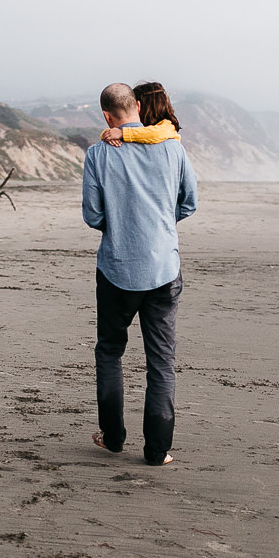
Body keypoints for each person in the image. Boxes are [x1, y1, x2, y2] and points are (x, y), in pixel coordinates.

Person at [82, 81, 198, 466]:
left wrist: (120, 222)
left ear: (106, 116)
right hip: (164, 267)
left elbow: (92, 216)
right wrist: (161, 223)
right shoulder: (173, 147)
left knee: (110, 353)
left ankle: (113, 439)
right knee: (161, 362)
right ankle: (157, 451)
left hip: (116, 267)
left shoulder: (98, 153)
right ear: (135, 106)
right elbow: (189, 203)